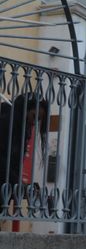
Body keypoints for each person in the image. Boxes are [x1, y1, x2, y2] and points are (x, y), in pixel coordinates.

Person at [0, 95, 49, 232]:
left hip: (5, 186)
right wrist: (18, 182)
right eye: (34, 117)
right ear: (27, 109)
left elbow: (14, 162)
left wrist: (19, 184)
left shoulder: (24, 127)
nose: (35, 122)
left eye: (38, 120)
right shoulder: (8, 120)